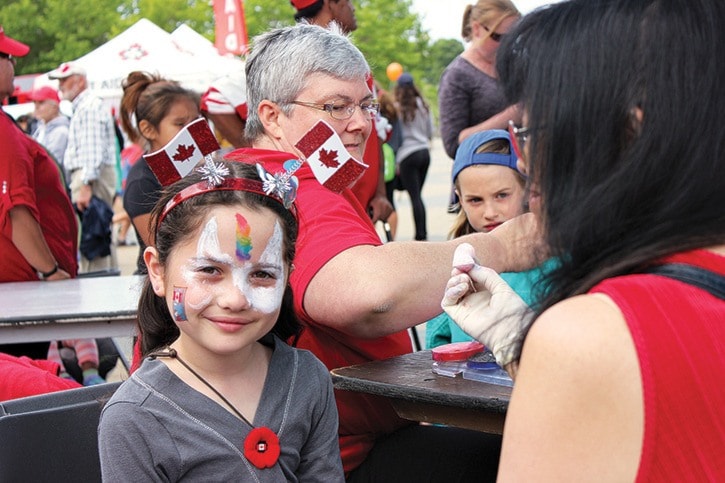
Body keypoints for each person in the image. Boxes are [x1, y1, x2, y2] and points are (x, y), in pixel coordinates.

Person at [225, 23, 541, 480]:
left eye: (365, 104)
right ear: (273, 118)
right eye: (336, 107)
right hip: (325, 460)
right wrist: (505, 245)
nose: (360, 122)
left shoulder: (238, 174)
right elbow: (370, 295)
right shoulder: (291, 184)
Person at [441, 0, 725, 480]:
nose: (526, 163)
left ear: (632, 133)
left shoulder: (599, 331)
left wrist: (559, 349)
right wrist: (517, 340)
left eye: (534, 132)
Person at [99, 159, 344, 481]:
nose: (236, 299)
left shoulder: (308, 377)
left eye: (262, 274)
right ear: (157, 272)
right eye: (210, 270)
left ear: (286, 279)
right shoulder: (134, 416)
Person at [0, 26, 78, 361]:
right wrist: (50, 272)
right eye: (7, 57)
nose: (13, 66)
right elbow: (16, 210)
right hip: (22, 293)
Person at [427, 129, 546, 348]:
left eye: (501, 195)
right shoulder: (453, 264)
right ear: (459, 199)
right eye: (475, 200)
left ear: (528, 191)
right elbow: (436, 346)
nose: (489, 211)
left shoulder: (552, 260)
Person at [438, 0, 521, 212]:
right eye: (498, 37)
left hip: (519, 185)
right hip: (481, 193)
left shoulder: (516, 65)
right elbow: (453, 144)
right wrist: (510, 115)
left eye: (512, 38)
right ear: (476, 28)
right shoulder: (457, 75)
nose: (506, 45)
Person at [119, 71, 201, 274]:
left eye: (196, 121)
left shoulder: (198, 167)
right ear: (148, 130)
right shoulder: (142, 181)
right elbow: (163, 248)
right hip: (161, 284)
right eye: (180, 124)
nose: (190, 131)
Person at [48, 61, 118, 273]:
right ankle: (105, 276)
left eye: (64, 80)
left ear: (79, 81)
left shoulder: (88, 107)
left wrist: (86, 184)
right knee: (99, 232)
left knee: (93, 233)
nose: (60, 85)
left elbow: (92, 150)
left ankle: (97, 280)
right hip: (91, 176)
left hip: (89, 177)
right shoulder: (87, 106)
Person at [393, 72, 433, 241]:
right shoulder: (423, 105)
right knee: (418, 196)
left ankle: (420, 236)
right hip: (424, 153)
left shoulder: (397, 108)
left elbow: (396, 137)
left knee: (414, 197)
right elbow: (430, 132)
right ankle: (422, 234)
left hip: (407, 155)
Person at [29, 86, 69, 168]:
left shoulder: (61, 132)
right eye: (34, 102)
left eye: (41, 102)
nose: (36, 107)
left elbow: (52, 163)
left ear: (55, 107)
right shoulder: (40, 129)